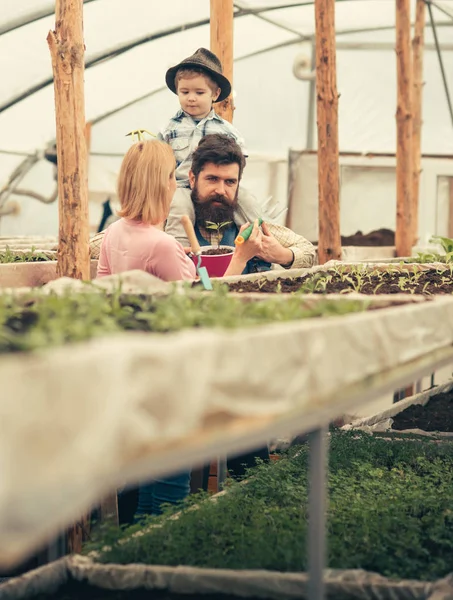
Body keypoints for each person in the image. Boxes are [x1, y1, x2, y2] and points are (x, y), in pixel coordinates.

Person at [96, 138, 263, 520]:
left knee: (143, 475)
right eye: (171, 177)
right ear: (161, 184)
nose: (176, 185)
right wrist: (241, 257)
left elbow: (107, 293)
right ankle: (156, 558)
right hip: (170, 376)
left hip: (134, 367)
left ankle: (130, 548)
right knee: (169, 485)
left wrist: (185, 265)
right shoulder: (162, 246)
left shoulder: (115, 233)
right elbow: (207, 305)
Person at [159, 47, 266, 244]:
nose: (191, 98)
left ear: (215, 94)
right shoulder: (169, 129)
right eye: (185, 92)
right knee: (180, 208)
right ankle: (179, 251)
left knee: (247, 202)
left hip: (217, 183)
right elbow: (159, 161)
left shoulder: (227, 130)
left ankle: (260, 246)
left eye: (199, 92)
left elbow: (239, 161)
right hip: (181, 186)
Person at [172, 133, 316, 274]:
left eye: (230, 182)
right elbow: (203, 288)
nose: (221, 190)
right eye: (212, 179)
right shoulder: (170, 224)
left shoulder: (247, 222)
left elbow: (308, 251)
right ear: (192, 178)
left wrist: (282, 255)